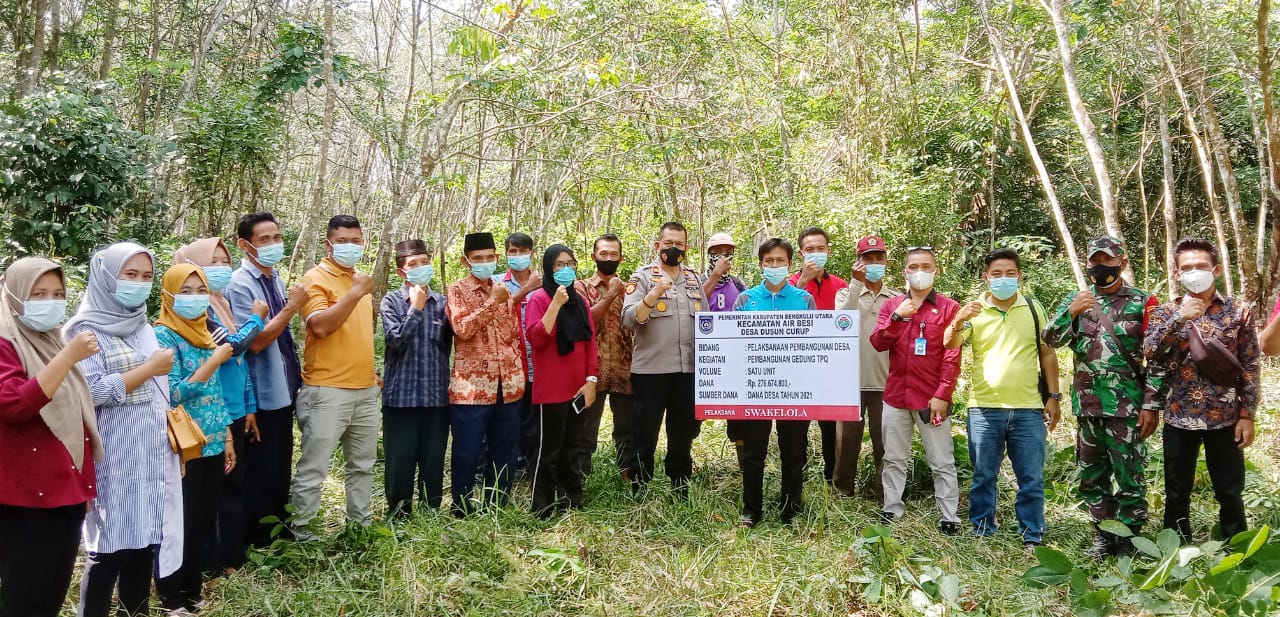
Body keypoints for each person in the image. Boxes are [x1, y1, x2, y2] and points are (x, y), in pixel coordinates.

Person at [67, 242, 182, 617]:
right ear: (106, 277)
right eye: (129, 275)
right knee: (108, 551)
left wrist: (171, 447)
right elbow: (89, 393)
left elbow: (160, 397)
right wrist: (146, 370)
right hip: (111, 459)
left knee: (143, 546)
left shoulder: (142, 326)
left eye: (146, 277)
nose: (139, 283)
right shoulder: (82, 332)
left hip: (149, 454)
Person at [1043, 237, 1161, 559]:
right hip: (1088, 407)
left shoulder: (1143, 302)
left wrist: (1152, 403)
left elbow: (1158, 358)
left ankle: (1128, 539)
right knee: (1092, 475)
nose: (1100, 268)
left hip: (1128, 408)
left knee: (1130, 476)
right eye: (1095, 261)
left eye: (1107, 262)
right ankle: (1103, 534)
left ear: (1122, 263)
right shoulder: (1078, 300)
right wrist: (1070, 312)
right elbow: (1049, 339)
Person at [0, 257, 103, 617]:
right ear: (13, 297)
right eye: (37, 293)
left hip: (64, 491)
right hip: (24, 496)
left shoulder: (51, 341)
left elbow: (76, 420)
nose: (50, 301)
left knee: (52, 591)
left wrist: (83, 484)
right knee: (24, 594)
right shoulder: (5, 344)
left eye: (57, 294)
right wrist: (69, 357)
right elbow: (13, 405)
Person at [1144, 238, 1260, 543]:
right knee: (1176, 489)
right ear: (1177, 273)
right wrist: (1180, 319)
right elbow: (1151, 352)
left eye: (1201, 266)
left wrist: (1248, 415)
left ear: (1216, 269)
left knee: (1229, 489)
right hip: (1179, 416)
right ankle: (1174, 548)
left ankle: (1236, 549)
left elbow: (1250, 365)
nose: (1194, 272)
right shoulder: (1165, 311)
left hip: (1226, 416)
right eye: (1187, 268)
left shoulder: (1238, 311)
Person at [945, 248, 1062, 548]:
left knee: (1031, 477)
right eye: (996, 274)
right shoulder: (975, 310)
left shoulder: (1034, 309)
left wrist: (1054, 396)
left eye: (1010, 273)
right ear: (986, 277)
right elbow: (950, 343)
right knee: (984, 475)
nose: (1003, 279)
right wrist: (958, 319)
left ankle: (1032, 533)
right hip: (984, 409)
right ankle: (983, 528)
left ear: (1020, 275)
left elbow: (1047, 354)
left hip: (1028, 409)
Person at [174, 238, 267, 574]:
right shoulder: (198, 311)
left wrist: (250, 405)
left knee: (232, 487)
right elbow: (232, 347)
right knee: (210, 496)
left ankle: (230, 558)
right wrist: (256, 320)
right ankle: (210, 565)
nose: (220, 267)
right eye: (211, 261)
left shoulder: (221, 302)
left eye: (223, 260)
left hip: (233, 410)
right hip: (206, 415)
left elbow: (238, 368)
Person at [152, 263, 237, 613]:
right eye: (184, 291)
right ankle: (170, 596)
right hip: (183, 444)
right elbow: (171, 393)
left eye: (200, 290)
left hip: (213, 440)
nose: (194, 298)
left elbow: (216, 394)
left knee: (203, 518)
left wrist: (228, 436)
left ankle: (191, 589)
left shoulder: (205, 331)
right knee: (179, 523)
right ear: (168, 296)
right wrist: (214, 360)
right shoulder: (163, 335)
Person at [290, 215, 381, 537]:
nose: (351, 247)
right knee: (314, 468)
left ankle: (360, 528)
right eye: (343, 241)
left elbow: (358, 333)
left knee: (363, 466)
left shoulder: (361, 280)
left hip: (366, 391)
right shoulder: (315, 279)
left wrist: (370, 370)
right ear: (328, 245)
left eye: (356, 240)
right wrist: (355, 292)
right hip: (326, 390)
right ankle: (302, 534)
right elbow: (321, 327)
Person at [224, 212, 307, 548]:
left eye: (276, 237)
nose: (274, 244)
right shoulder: (240, 285)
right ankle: (256, 540)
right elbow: (255, 341)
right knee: (258, 469)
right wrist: (292, 307)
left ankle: (276, 532)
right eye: (264, 240)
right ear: (245, 246)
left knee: (278, 463)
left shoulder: (274, 279)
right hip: (259, 394)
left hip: (283, 390)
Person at [868, 247, 962, 534]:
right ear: (905, 272)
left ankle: (949, 516)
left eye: (926, 266)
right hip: (896, 395)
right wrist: (897, 317)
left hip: (930, 398)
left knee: (941, 460)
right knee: (893, 457)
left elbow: (952, 354)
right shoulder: (893, 305)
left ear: (936, 270)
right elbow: (878, 343)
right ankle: (891, 508)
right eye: (913, 266)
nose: (919, 271)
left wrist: (943, 394)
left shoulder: (949, 308)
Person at [728, 238, 816, 527]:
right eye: (769, 261)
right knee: (754, 453)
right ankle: (751, 510)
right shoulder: (745, 300)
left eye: (780, 261)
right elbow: (732, 343)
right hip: (756, 387)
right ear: (760, 265)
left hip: (795, 390)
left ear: (790, 264)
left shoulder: (804, 300)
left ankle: (790, 511)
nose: (775, 266)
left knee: (794, 451)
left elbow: (816, 344)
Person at [621, 222, 707, 498]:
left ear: (687, 247)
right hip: (652, 371)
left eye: (679, 244)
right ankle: (640, 486)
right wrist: (655, 293)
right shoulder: (643, 277)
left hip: (687, 369)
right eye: (668, 243)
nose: (673, 248)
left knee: (682, 434)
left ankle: (680, 485)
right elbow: (628, 319)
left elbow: (706, 322)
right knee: (645, 433)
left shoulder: (694, 279)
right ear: (657, 246)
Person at [447, 232, 526, 516]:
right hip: (472, 388)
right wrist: (492, 302)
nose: (485, 263)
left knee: (504, 451)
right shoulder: (456, 290)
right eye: (478, 259)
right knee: (467, 451)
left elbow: (512, 335)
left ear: (496, 257)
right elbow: (463, 329)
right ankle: (462, 506)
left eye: (489, 257)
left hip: (509, 385)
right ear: (466, 261)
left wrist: (516, 371)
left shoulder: (503, 289)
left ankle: (496, 505)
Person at [524, 245, 599, 517]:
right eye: (558, 264)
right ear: (548, 268)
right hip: (551, 391)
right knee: (548, 450)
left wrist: (591, 379)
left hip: (578, 388)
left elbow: (590, 341)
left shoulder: (580, 302)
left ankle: (571, 500)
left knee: (573, 448)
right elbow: (536, 338)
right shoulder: (538, 299)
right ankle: (541, 507)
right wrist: (555, 303)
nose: (565, 269)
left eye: (569, 263)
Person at [380, 240, 452, 517]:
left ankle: (431, 514)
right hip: (401, 398)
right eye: (413, 264)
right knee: (400, 461)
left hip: (436, 397)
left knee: (433, 461)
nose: (421, 268)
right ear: (402, 272)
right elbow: (395, 341)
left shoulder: (443, 304)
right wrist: (416, 308)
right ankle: (399, 515)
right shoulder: (391, 301)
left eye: (424, 262)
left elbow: (445, 347)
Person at [833, 235, 900, 501]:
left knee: (884, 442)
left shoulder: (896, 297)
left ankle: (884, 491)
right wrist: (855, 284)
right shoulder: (845, 293)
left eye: (878, 258)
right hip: (850, 381)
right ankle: (843, 490)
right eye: (867, 259)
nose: (873, 264)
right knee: (846, 443)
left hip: (886, 380)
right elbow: (840, 323)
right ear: (857, 262)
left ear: (886, 261)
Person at [573, 234, 635, 476]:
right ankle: (579, 481)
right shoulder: (581, 287)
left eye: (613, 254)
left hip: (625, 369)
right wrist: (610, 294)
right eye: (603, 254)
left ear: (620, 257)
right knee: (584, 432)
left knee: (627, 431)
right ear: (593, 256)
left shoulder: (631, 289)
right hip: (591, 371)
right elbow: (585, 322)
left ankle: (628, 479)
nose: (608, 258)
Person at [789, 227, 847, 484]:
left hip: (829, 367)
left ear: (828, 251)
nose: (815, 253)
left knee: (830, 425)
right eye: (810, 249)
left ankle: (831, 477)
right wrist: (803, 282)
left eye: (820, 248)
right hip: (798, 365)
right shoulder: (790, 283)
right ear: (801, 253)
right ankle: (796, 477)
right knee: (797, 426)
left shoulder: (840, 285)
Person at [499, 233, 542, 473]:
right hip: (508, 365)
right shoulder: (497, 283)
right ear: (506, 254)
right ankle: (507, 467)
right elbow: (496, 311)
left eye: (523, 251)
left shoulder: (544, 282)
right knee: (508, 420)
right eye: (513, 251)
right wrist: (526, 289)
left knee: (533, 420)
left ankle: (530, 465)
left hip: (538, 363)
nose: (518, 256)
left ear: (532, 253)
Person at [702, 232, 747, 312]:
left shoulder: (739, 284)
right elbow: (695, 305)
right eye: (718, 251)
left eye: (728, 252)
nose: (723, 256)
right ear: (709, 254)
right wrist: (716, 274)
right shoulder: (698, 282)